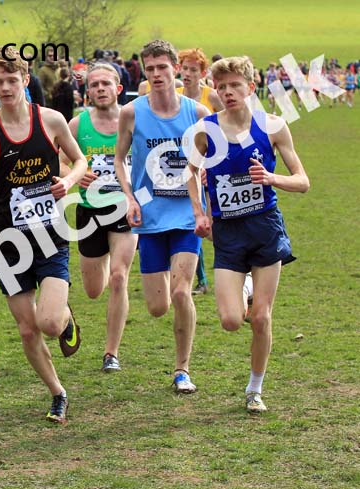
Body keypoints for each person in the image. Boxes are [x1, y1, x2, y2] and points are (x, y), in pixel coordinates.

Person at [0, 45, 89, 424]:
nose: (4, 87)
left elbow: (80, 160)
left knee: (48, 323)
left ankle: (65, 319)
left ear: (25, 80)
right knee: (27, 329)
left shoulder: (50, 120)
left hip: (50, 234)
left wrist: (68, 181)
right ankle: (58, 393)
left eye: (11, 80)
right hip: (10, 240)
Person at [187, 56, 309, 413]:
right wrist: (199, 211)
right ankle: (246, 288)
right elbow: (190, 173)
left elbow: (302, 181)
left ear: (250, 88)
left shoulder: (273, 126)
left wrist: (272, 179)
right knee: (229, 320)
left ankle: (255, 388)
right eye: (221, 87)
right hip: (227, 232)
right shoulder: (207, 131)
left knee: (261, 317)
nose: (227, 92)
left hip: (265, 227)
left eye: (234, 86)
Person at [114, 39, 211, 394]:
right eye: (150, 68)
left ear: (176, 69)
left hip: (186, 215)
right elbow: (119, 160)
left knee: (183, 293)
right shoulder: (132, 113)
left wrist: (206, 202)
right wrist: (129, 198)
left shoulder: (197, 115)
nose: (156, 74)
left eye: (162, 67)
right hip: (150, 219)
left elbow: (210, 164)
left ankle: (182, 370)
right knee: (157, 307)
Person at [60, 62, 137, 373]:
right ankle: (64, 317)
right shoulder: (78, 125)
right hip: (90, 212)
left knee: (119, 277)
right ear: (87, 91)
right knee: (93, 290)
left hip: (126, 209)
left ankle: (111, 353)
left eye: (106, 83)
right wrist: (77, 176)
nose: (101, 89)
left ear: (118, 89)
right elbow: (60, 162)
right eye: (95, 85)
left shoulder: (133, 120)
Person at [175, 48, 225, 296]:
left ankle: (238, 264)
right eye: (184, 68)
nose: (187, 74)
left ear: (203, 73)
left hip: (209, 170)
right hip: (181, 171)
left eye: (193, 70)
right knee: (192, 223)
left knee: (213, 228)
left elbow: (225, 132)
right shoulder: (174, 97)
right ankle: (202, 280)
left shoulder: (212, 97)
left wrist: (210, 164)